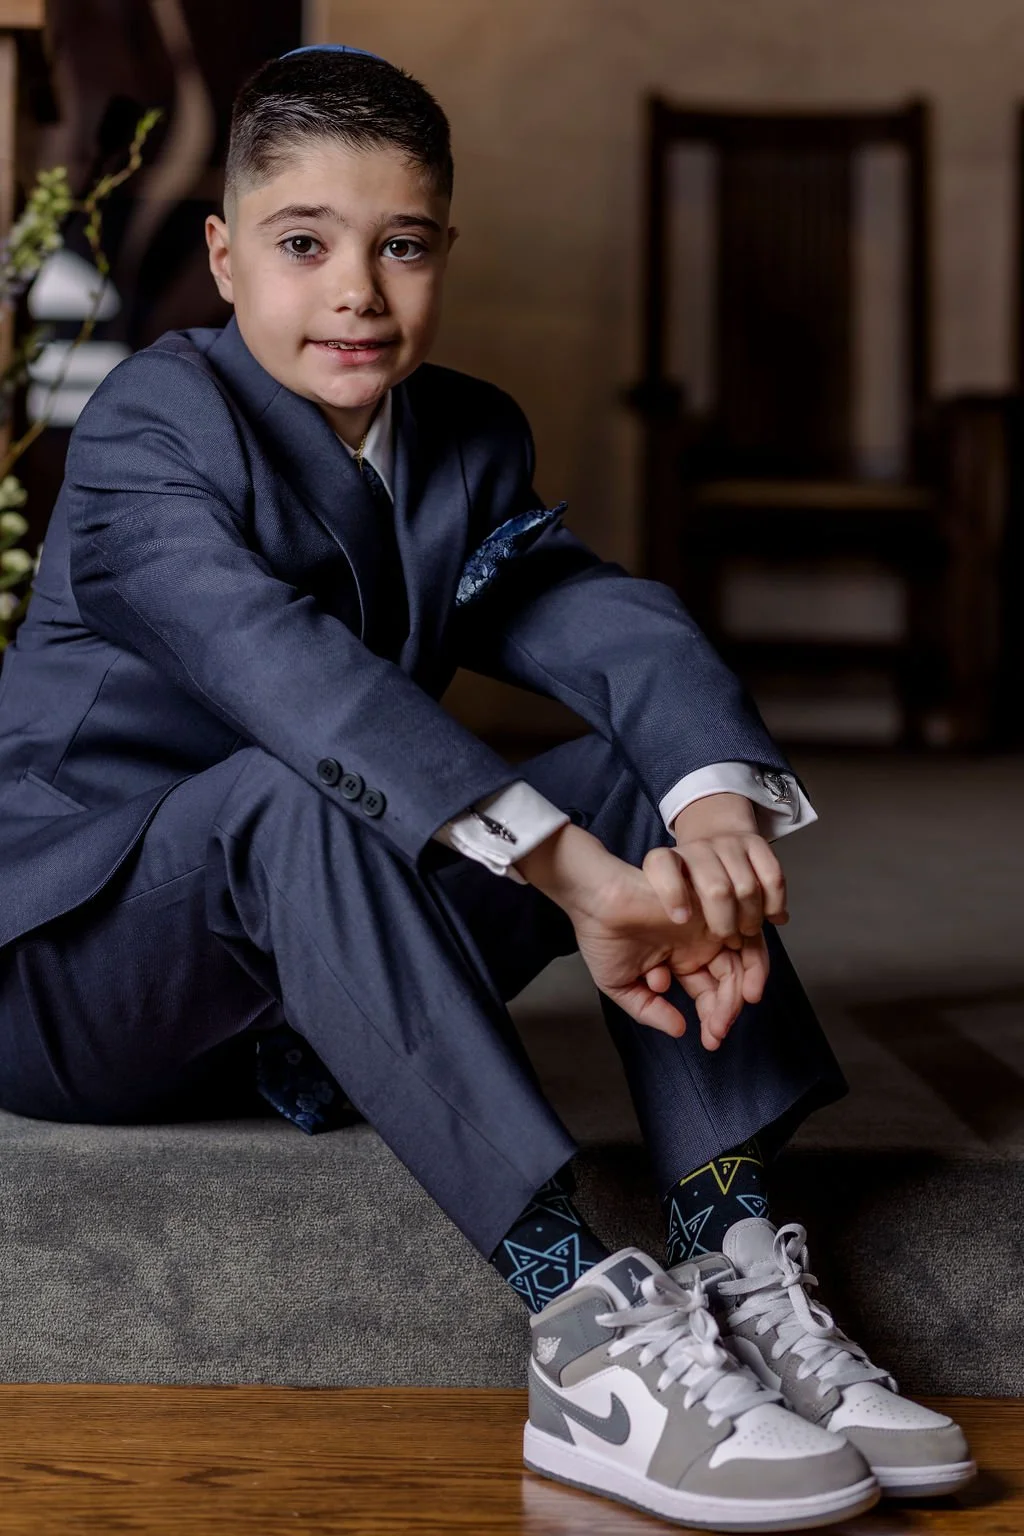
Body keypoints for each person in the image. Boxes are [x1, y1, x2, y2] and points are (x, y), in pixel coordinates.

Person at [0, 43, 973, 1530]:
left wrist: (711, 803)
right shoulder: (149, 421)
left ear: (443, 250)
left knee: (652, 763)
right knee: (291, 790)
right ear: (223, 255)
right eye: (304, 245)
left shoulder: (465, 436)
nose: (357, 294)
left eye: (400, 247)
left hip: (298, 985)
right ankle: (581, 1325)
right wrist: (575, 879)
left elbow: (593, 613)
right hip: (83, 974)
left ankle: (736, 1255)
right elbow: (277, 667)